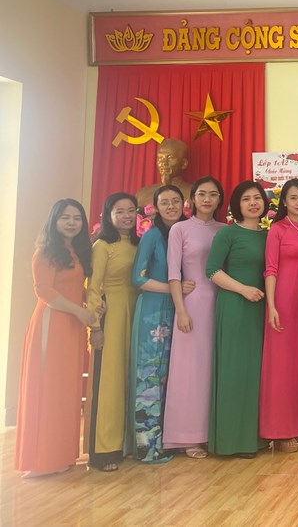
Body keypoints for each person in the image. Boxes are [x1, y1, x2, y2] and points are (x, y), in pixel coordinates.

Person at [16, 199, 96, 478]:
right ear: (54, 220)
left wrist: (90, 303)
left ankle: (61, 455)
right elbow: (45, 291)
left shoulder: (75, 251)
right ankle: (40, 459)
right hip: (51, 324)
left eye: (77, 218)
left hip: (72, 326)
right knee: (47, 389)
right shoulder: (45, 252)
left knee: (66, 390)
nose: (72, 223)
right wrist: (80, 311)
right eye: (65, 218)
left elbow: (72, 286)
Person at [163, 176, 225, 458]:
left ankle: (213, 432)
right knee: (190, 371)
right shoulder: (180, 229)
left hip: (222, 303)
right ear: (193, 199)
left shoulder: (225, 230)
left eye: (213, 194)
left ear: (220, 199)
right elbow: (173, 274)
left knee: (214, 369)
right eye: (202, 194)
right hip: (192, 305)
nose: (207, 199)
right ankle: (188, 436)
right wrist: (180, 310)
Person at [206, 181, 268, 457]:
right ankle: (230, 441)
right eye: (246, 199)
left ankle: (253, 439)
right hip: (235, 306)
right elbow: (211, 270)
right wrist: (243, 289)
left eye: (257, 198)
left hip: (261, 309)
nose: (253, 203)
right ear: (236, 205)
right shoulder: (228, 233)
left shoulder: (270, 235)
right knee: (234, 371)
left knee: (255, 373)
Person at [129, 185, 190, 463]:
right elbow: (138, 278)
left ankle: (172, 438)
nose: (171, 206)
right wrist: (173, 288)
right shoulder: (152, 235)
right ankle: (148, 447)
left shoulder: (185, 232)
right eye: (164, 202)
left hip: (178, 310)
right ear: (155, 207)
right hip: (153, 312)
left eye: (175, 201)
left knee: (171, 375)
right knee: (150, 377)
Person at [84, 192, 140, 472]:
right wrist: (95, 326)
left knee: (129, 378)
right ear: (108, 215)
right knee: (110, 382)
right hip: (112, 315)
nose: (127, 216)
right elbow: (93, 288)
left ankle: (125, 443)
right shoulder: (102, 246)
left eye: (131, 210)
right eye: (120, 211)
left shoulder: (137, 243)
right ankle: (104, 450)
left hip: (135, 310)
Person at [261, 178, 298, 453]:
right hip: (282, 304)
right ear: (284, 201)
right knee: (281, 368)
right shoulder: (278, 229)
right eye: (293, 197)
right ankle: (279, 432)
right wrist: (272, 305)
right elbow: (270, 269)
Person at [136, 138, 193, 209]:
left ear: (184, 163)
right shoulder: (142, 194)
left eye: (170, 158)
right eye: (160, 158)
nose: (164, 163)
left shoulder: (193, 194)